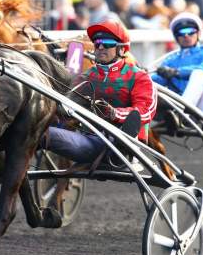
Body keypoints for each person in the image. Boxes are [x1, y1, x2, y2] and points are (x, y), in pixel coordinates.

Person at [42, 20, 157, 165]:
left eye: (108, 43)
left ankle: (121, 149)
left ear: (121, 49)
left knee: (131, 122)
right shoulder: (85, 77)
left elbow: (145, 111)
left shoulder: (139, 77)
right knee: (37, 133)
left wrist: (115, 113)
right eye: (97, 44)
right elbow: (67, 106)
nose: (101, 47)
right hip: (91, 142)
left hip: (124, 140)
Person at [152, 12, 203, 118]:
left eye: (190, 31)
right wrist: (140, 75)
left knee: (199, 74)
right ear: (176, 37)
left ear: (198, 34)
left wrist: (177, 72)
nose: (186, 36)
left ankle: (181, 114)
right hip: (174, 108)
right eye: (181, 32)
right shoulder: (170, 60)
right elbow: (156, 81)